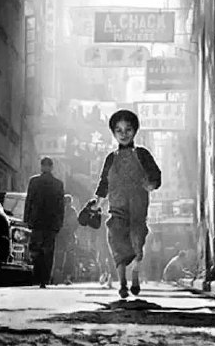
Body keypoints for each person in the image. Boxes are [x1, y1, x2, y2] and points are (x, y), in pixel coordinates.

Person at [91, 109, 161, 299]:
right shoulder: (111, 158)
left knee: (137, 242)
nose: (123, 134)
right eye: (119, 130)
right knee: (117, 241)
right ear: (113, 133)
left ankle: (135, 275)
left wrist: (151, 184)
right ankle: (122, 283)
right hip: (117, 208)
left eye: (128, 130)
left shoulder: (142, 154)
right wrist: (97, 204)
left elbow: (156, 175)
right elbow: (104, 184)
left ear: (135, 131)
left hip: (138, 208)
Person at [23, 156, 65, 288]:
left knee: (36, 249)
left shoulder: (34, 181)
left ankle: (37, 276)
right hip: (51, 223)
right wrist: (59, 223)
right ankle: (44, 278)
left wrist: (26, 219)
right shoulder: (58, 184)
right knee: (48, 251)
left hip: (37, 221)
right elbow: (60, 206)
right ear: (52, 167)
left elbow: (29, 201)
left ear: (41, 167)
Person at [54, 194, 78, 284]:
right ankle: (63, 276)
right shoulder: (71, 211)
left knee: (63, 256)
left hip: (63, 235)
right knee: (66, 256)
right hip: (66, 236)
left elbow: (74, 224)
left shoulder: (60, 211)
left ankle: (60, 276)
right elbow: (75, 224)